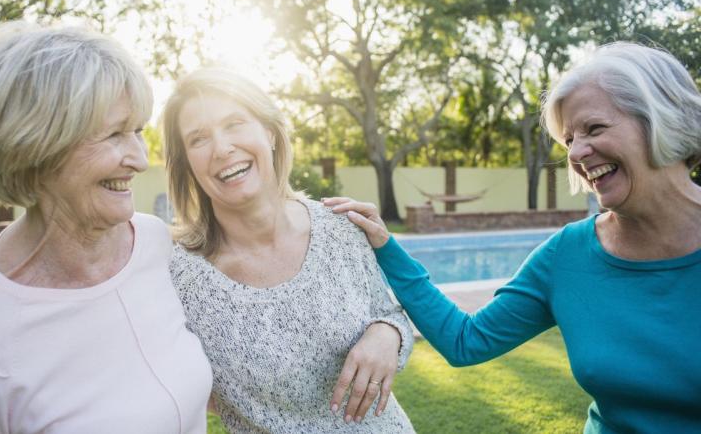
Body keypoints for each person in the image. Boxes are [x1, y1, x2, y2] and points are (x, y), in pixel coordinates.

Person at [326, 42, 701, 433]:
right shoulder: (567, 254)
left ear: (662, 120)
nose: (576, 153)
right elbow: (465, 341)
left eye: (594, 128)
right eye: (569, 139)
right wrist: (387, 248)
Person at [0, 22, 212, 433]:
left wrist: (335, 327)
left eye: (138, 131)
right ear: (34, 147)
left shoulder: (153, 243)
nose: (140, 159)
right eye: (114, 134)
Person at [162, 68, 415, 433]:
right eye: (199, 139)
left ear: (269, 132)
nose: (221, 148)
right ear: (187, 162)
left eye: (234, 124)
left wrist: (387, 333)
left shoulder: (341, 227)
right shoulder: (179, 278)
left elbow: (389, 312)